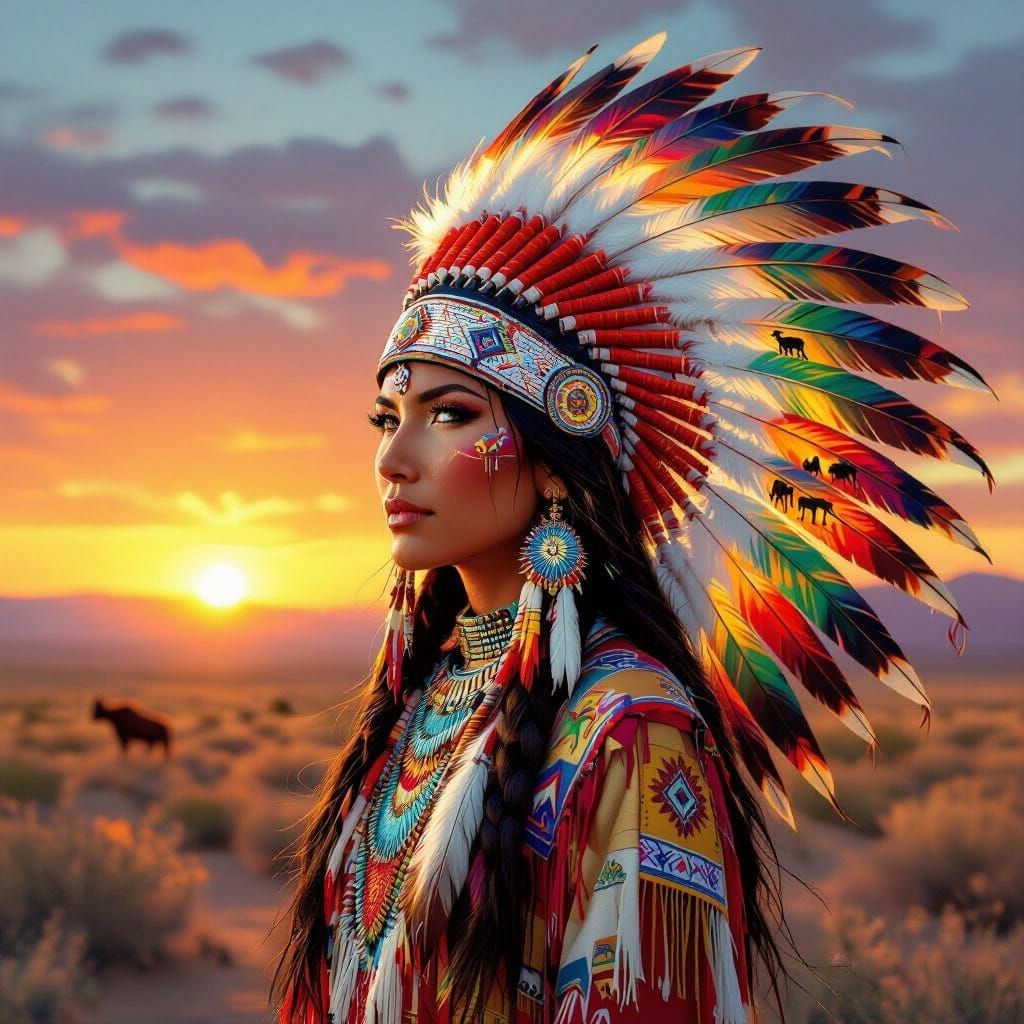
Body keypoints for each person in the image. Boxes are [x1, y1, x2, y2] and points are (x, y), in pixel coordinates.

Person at [271, 32, 990, 1024]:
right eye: (386, 418)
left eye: (450, 414)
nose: (395, 457)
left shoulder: (636, 737)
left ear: (555, 457)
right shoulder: (422, 701)